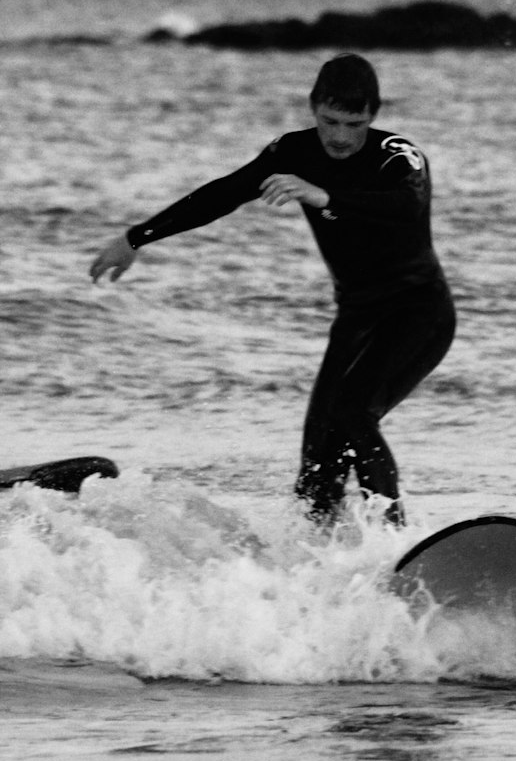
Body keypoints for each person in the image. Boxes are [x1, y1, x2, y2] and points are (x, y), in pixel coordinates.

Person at [89, 54, 455, 527]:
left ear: (374, 116)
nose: (341, 136)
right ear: (313, 107)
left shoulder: (398, 157)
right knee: (317, 461)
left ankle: (395, 538)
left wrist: (326, 197)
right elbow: (223, 194)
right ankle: (324, 556)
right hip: (356, 319)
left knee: (352, 412)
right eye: (329, 121)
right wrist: (135, 238)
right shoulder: (292, 152)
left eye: (354, 123)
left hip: (417, 314)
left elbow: (406, 207)